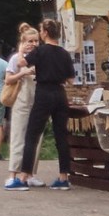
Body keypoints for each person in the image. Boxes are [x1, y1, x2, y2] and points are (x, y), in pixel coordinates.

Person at [10, 22, 75, 191]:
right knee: (61, 136)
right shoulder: (64, 53)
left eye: (40, 31)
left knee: (32, 134)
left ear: (45, 33)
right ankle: (63, 177)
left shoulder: (40, 51)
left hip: (44, 93)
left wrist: (20, 48)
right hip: (60, 94)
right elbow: (70, 80)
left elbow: (21, 63)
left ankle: (23, 177)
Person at [5, 25, 40, 184]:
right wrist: (23, 72)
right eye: (30, 41)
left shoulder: (41, 57)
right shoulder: (15, 59)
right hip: (21, 102)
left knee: (36, 140)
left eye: (36, 41)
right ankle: (13, 175)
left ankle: (30, 174)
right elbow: (8, 80)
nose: (33, 44)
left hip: (38, 102)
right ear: (23, 42)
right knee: (18, 137)